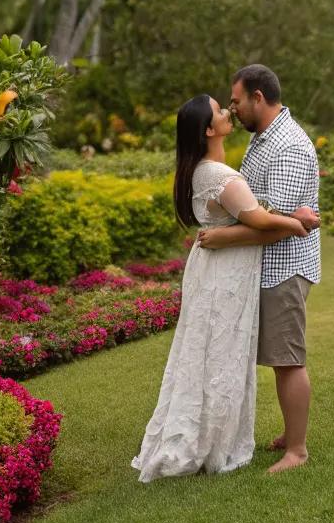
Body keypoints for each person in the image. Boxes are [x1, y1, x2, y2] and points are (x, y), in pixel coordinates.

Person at [131, 94, 318, 483]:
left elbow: (251, 214)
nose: (228, 111)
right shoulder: (218, 174)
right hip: (225, 274)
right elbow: (259, 219)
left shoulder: (204, 170)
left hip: (219, 271)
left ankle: (223, 434)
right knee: (220, 356)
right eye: (220, 109)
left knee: (212, 354)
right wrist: (296, 223)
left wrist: (235, 232)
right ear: (208, 130)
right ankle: (216, 440)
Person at [197, 63, 319, 473]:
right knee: (278, 356)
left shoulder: (289, 146)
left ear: (258, 97)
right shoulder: (264, 136)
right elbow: (266, 207)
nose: (231, 109)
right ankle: (290, 432)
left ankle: (297, 450)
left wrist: (222, 237)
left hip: (284, 267)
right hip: (264, 265)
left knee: (288, 359)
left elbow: (274, 223)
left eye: (236, 101)